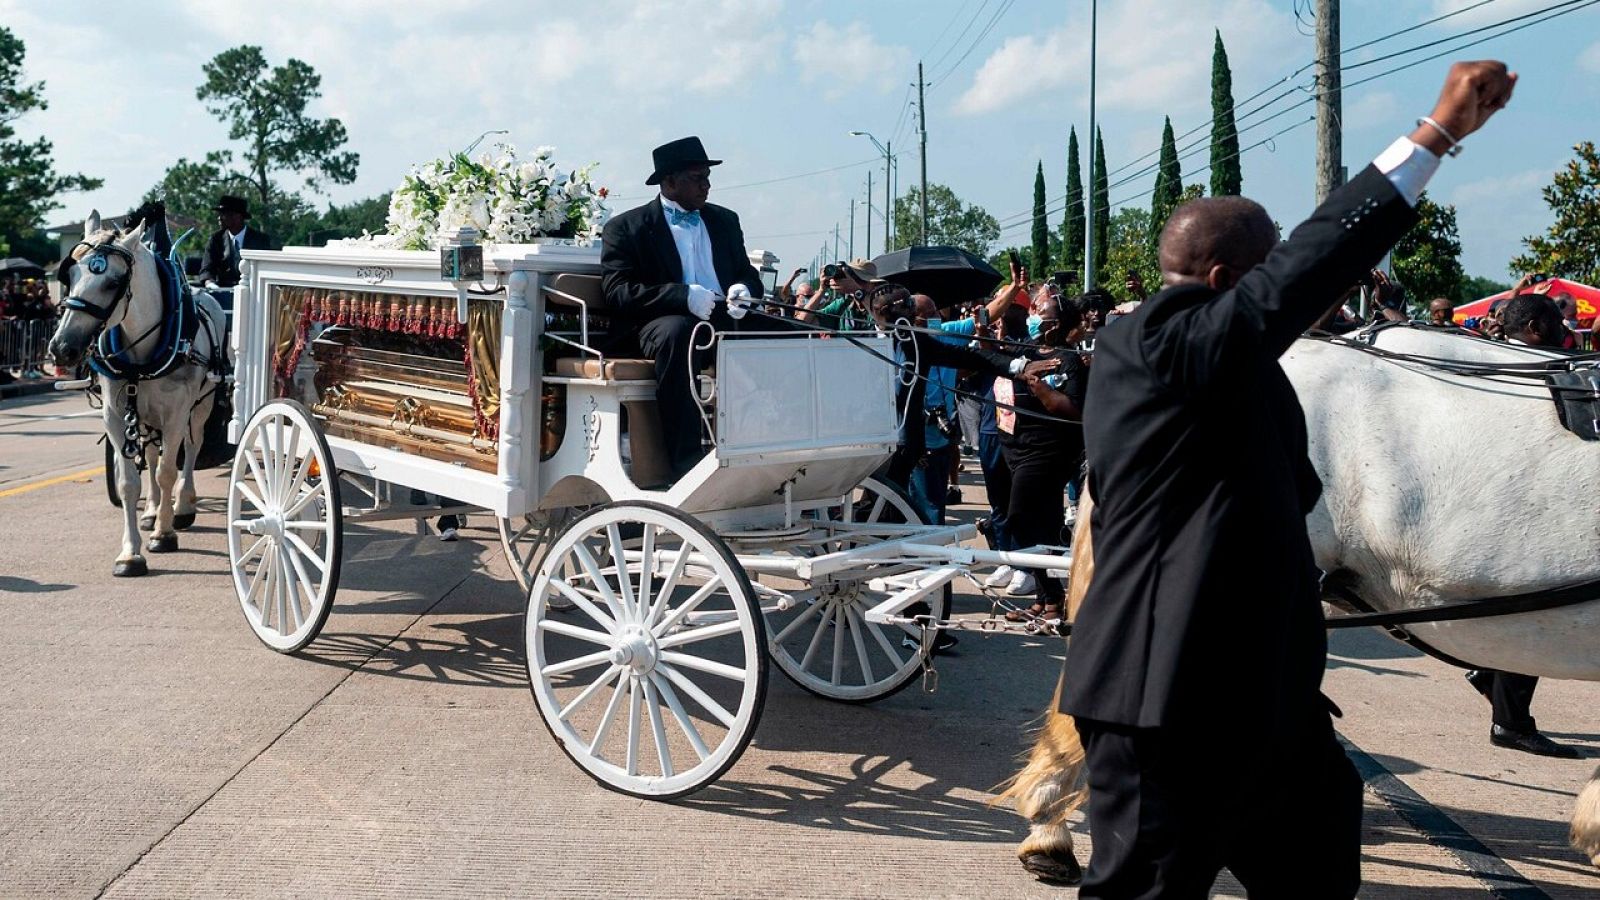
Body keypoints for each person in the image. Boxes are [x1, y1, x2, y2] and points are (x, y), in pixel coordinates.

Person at [1059, 61, 1517, 898]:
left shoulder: (1237, 370)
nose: (1313, 299)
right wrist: (1436, 136)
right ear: (1229, 284)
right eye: (1271, 272)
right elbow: (1309, 263)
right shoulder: (1158, 344)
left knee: (1318, 871)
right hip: (1168, 711)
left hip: (1269, 710)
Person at [600, 136, 764, 478]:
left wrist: (743, 289)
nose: (706, 185)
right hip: (658, 323)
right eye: (697, 177)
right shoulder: (627, 228)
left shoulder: (725, 220)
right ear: (669, 182)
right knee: (681, 332)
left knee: (790, 333)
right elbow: (618, 292)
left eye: (707, 177)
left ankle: (778, 445)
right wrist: (681, 296)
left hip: (722, 316)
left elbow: (747, 273)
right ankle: (685, 460)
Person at [997, 290, 1088, 620]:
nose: (1035, 315)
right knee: (1045, 523)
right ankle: (1047, 601)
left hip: (1050, 453)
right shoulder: (1027, 350)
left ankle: (1052, 595)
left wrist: (1047, 393)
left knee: (1020, 518)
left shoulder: (1070, 361)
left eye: (1041, 312)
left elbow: (1076, 410)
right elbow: (997, 359)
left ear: (1055, 323)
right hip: (1018, 448)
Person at [197, 195, 276, 292]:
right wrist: (210, 284)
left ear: (237, 216)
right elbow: (206, 269)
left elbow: (267, 270)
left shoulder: (260, 240)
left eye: (223, 214)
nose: (219, 218)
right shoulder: (216, 239)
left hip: (252, 293)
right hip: (223, 293)